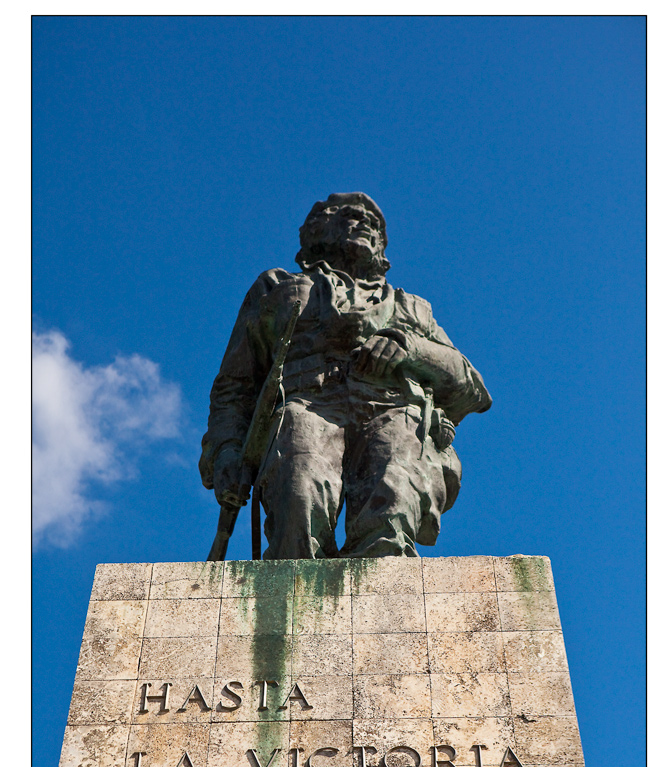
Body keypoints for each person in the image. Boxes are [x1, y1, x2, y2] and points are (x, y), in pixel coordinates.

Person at [199, 192, 492, 559]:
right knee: (299, 501)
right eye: (354, 215)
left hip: (394, 410)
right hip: (306, 403)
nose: (367, 224)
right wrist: (227, 451)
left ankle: (388, 610)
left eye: (376, 225)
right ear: (320, 229)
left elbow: (472, 387)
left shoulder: (412, 307)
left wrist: (412, 349)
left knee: (392, 513)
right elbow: (235, 385)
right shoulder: (278, 287)